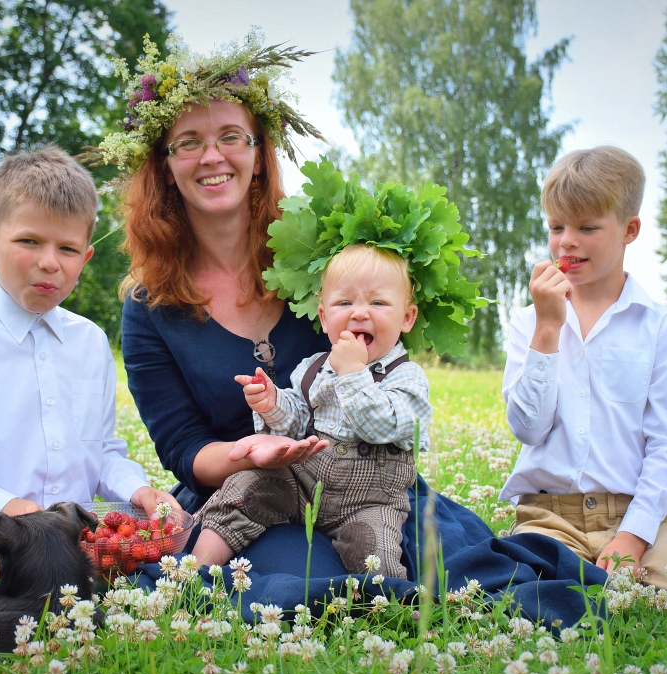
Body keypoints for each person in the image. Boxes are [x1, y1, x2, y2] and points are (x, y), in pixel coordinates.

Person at [109, 31, 607, 627]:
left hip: (369, 481)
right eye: (187, 143)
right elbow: (184, 448)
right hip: (254, 490)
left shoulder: (326, 257)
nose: (212, 157)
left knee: (446, 572)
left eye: (231, 137)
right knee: (302, 584)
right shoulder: (149, 304)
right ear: (164, 166)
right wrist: (250, 450)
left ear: (259, 150)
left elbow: (388, 343)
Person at [0, 147, 178, 589]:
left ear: (85, 259)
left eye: (67, 248)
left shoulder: (90, 342)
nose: (49, 262)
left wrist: (137, 491)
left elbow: (100, 452)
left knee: (175, 577)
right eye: (29, 241)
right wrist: (7, 505)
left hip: (73, 551)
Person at [500, 145, 667, 604]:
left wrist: (635, 537)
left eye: (587, 227)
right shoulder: (529, 322)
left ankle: (610, 574)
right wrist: (547, 327)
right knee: (519, 592)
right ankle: (571, 582)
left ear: (630, 230)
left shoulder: (662, 328)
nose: (567, 241)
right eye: (556, 227)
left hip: (633, 515)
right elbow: (527, 427)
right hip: (549, 516)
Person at [192, 244, 431, 577]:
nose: (359, 313)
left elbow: (383, 426)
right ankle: (191, 574)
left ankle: (382, 610)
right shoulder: (314, 368)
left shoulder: (408, 377)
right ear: (323, 316)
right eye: (344, 303)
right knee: (244, 489)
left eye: (378, 303)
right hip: (305, 482)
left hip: (370, 503)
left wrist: (353, 374)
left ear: (407, 317)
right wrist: (273, 404)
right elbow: (299, 420)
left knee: (375, 554)